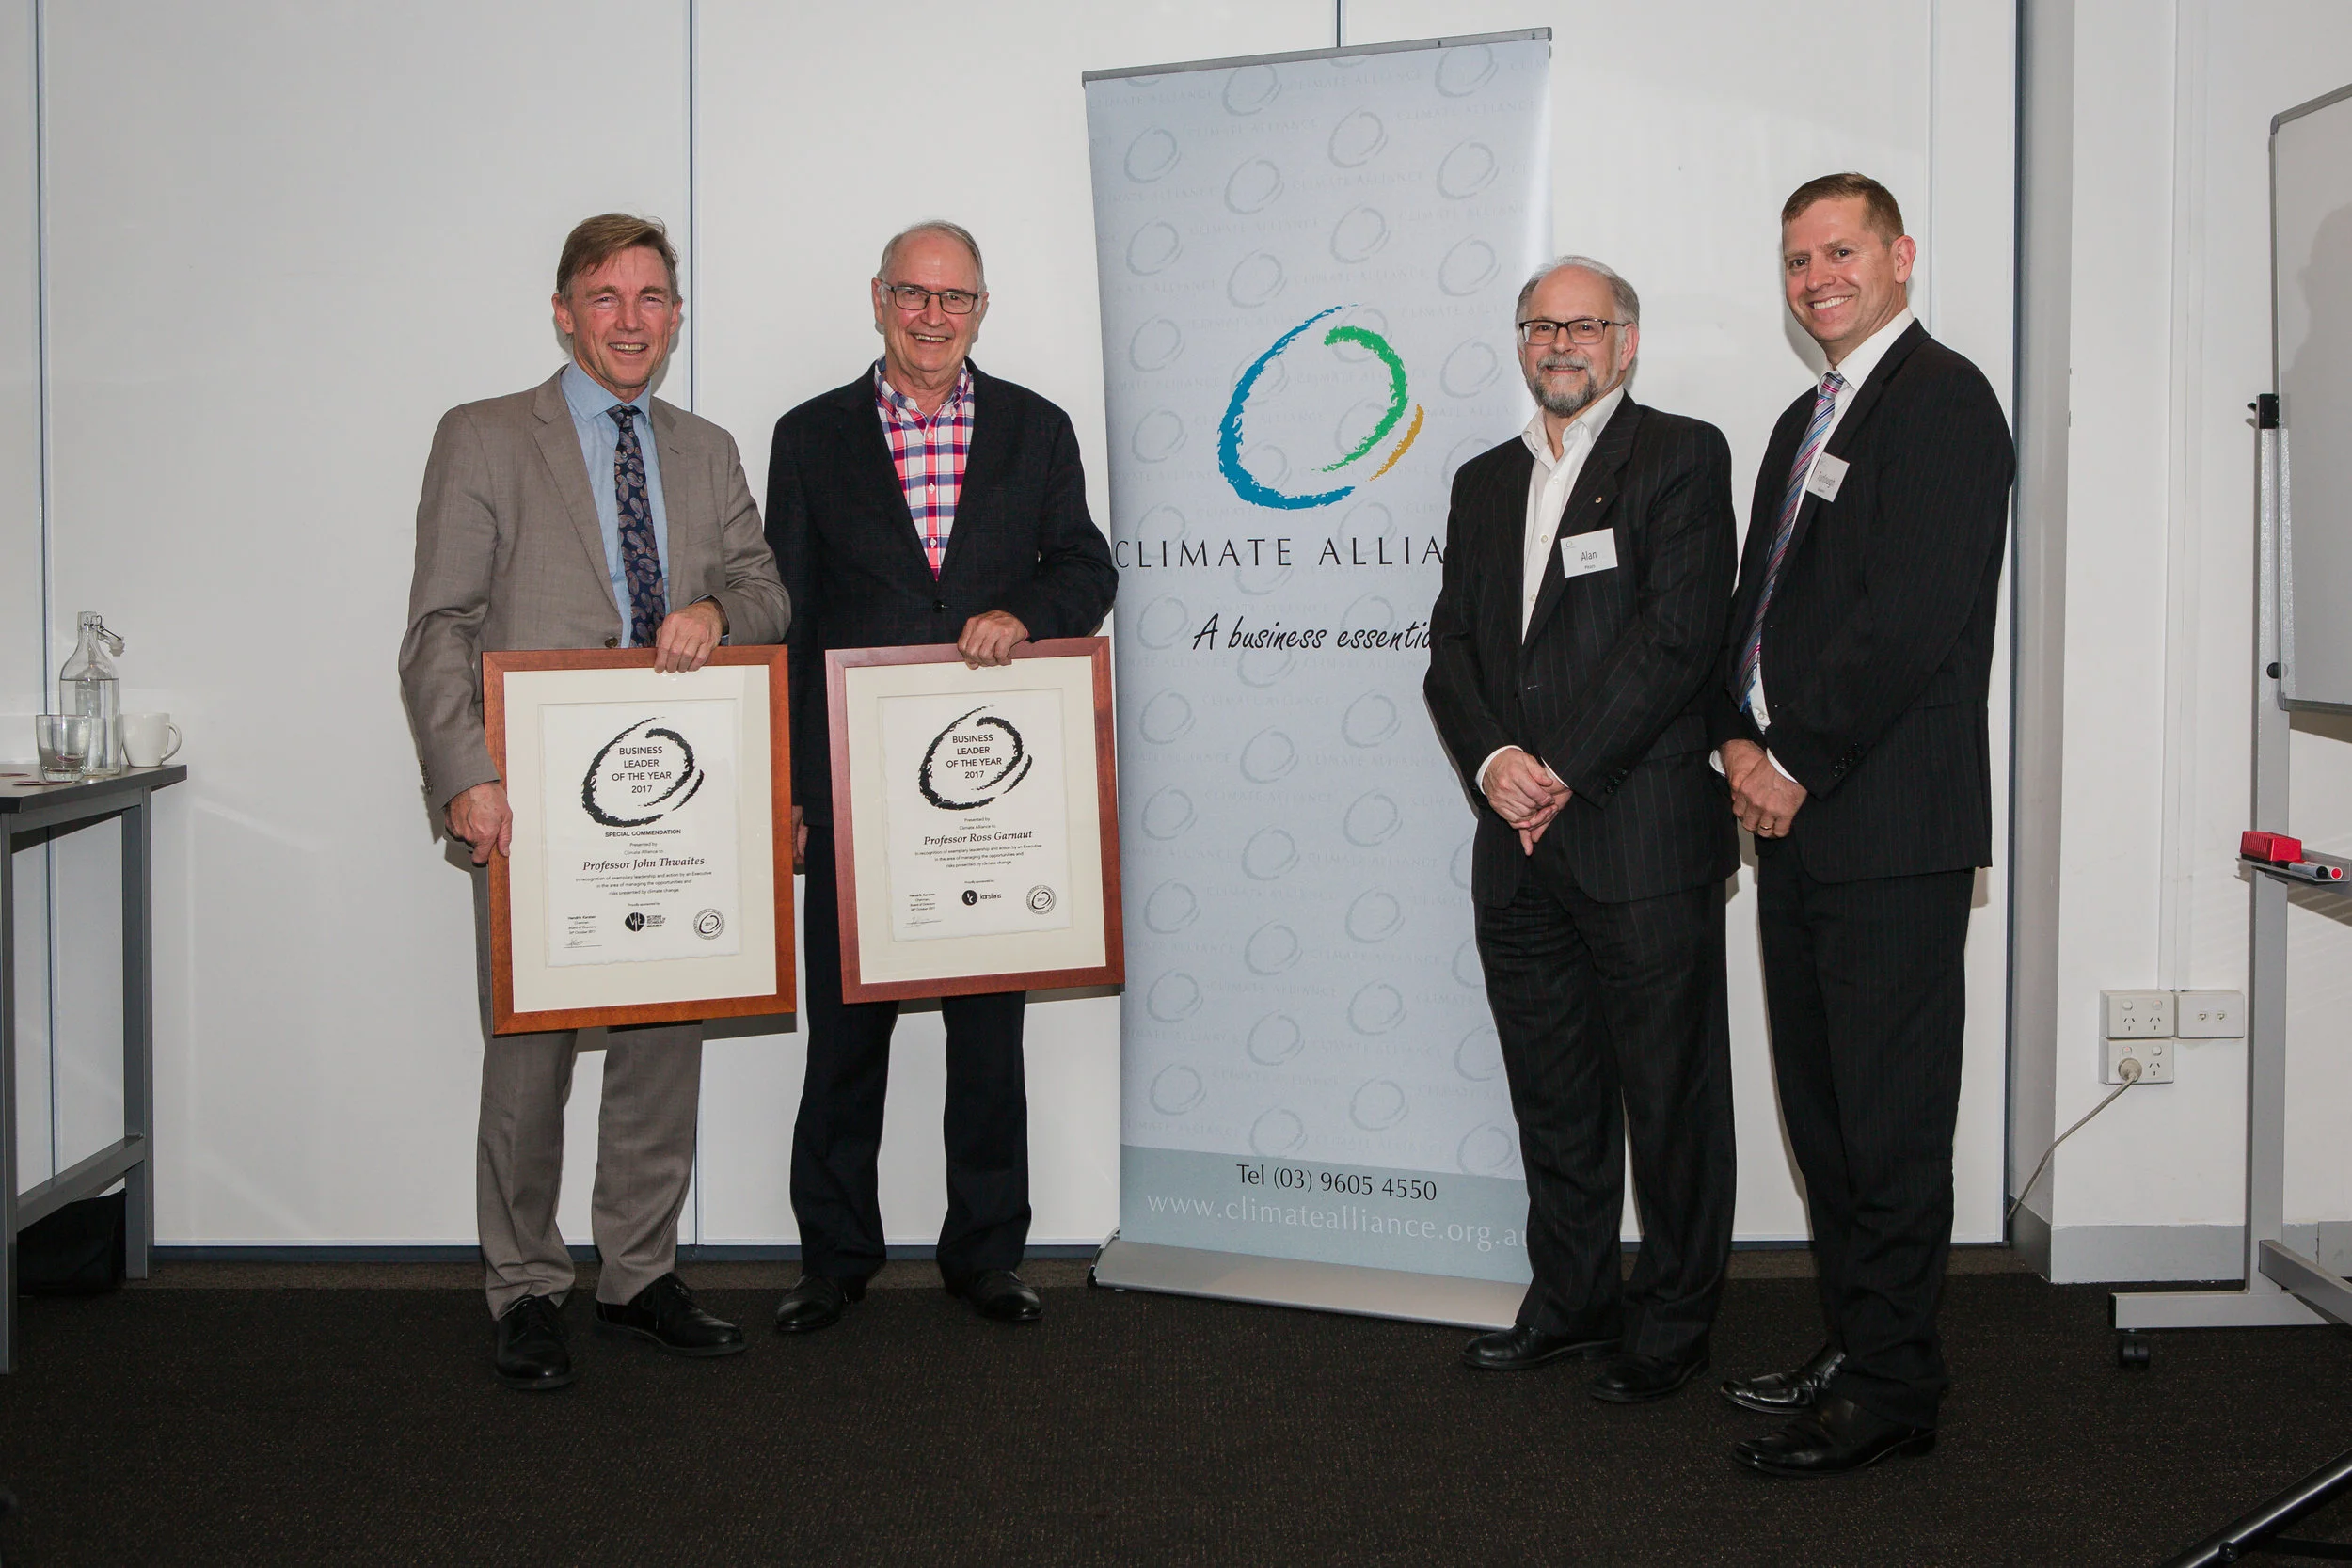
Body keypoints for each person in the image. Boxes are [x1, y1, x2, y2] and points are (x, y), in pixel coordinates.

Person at [400, 214, 791, 1390]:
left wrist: (717, 615)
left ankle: (637, 1273)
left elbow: (766, 590)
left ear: (676, 316)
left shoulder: (706, 448)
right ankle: (524, 1285)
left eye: (653, 297)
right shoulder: (482, 437)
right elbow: (439, 627)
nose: (632, 319)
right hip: (532, 803)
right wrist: (466, 774)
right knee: (530, 1055)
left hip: (677, 797)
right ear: (564, 311)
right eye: (607, 296)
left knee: (665, 1043)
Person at [1712, 174, 2013, 1475]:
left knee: (1888, 1117)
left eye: (1839, 250)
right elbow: (1762, 597)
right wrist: (1730, 728)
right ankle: (1860, 1337)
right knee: (1825, 1109)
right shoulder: (1804, 414)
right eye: (1796, 258)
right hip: (1795, 817)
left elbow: (1912, 615)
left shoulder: (1943, 400)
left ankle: (1896, 1384)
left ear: (1898, 255)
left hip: (1886, 820)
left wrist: (1794, 754)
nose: (1816, 275)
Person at [764, 220, 1116, 1332]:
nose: (932, 316)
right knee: (846, 1036)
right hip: (855, 787)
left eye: (953, 298)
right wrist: (792, 787)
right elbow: (787, 615)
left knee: (987, 1037)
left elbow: (1087, 564)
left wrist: (1030, 614)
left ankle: (986, 1253)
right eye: (912, 295)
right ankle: (832, 1256)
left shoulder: (1035, 427)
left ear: (980, 308)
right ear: (878, 298)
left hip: (988, 793)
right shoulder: (809, 435)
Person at [1424, 257, 1740, 1402]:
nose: (1561, 342)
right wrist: (1497, 762)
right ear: (1518, 343)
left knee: (1670, 1095)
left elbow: (1676, 639)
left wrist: (1557, 765)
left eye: (1584, 324)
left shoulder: (1679, 456)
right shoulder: (1478, 480)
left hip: (1640, 835)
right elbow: (1451, 647)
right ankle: (1569, 1299)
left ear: (1627, 341)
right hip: (1514, 851)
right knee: (1553, 1095)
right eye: (1539, 325)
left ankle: (1674, 1316)